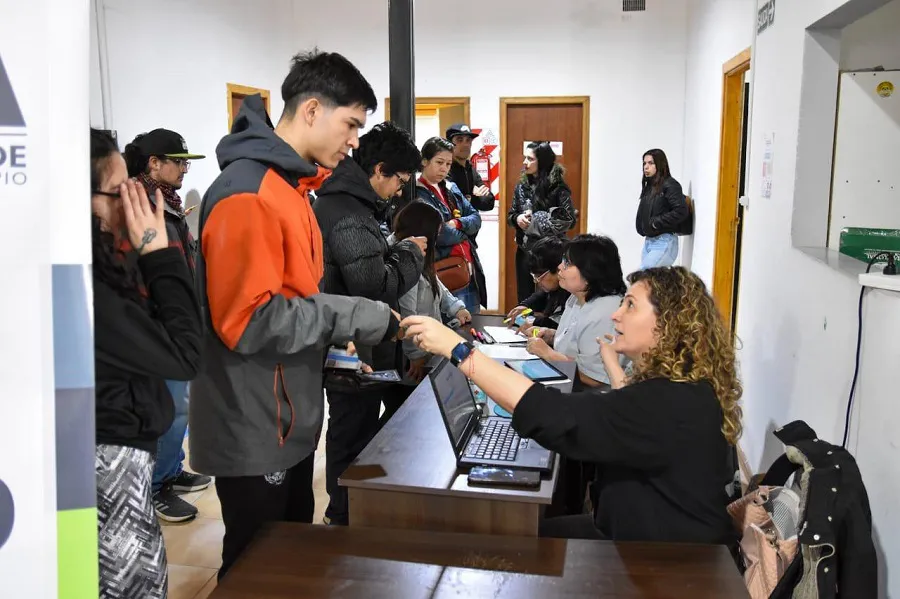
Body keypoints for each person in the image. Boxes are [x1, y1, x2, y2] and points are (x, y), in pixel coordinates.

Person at [188, 51, 402, 581]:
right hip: (255, 421)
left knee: (289, 562)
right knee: (255, 570)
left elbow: (291, 297)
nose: (354, 141)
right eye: (350, 123)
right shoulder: (249, 194)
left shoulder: (289, 188)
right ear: (311, 110)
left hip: (285, 414)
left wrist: (329, 346)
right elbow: (248, 321)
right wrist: (354, 315)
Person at [399, 265, 741, 544]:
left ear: (669, 324)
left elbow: (554, 414)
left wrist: (460, 351)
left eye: (631, 305)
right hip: (650, 537)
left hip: (660, 562)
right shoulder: (686, 388)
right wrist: (611, 365)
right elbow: (632, 416)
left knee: (504, 544)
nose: (617, 315)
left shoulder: (668, 401)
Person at [91, 128, 202, 597]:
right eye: (119, 192)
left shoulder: (106, 259)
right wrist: (159, 255)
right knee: (131, 585)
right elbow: (183, 354)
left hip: (124, 453)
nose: (130, 203)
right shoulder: (85, 284)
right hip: (109, 460)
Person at [313, 121, 426, 526]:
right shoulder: (347, 214)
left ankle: (359, 509)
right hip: (352, 349)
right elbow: (374, 284)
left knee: (364, 429)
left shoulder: (355, 207)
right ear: (378, 170)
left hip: (363, 341)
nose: (400, 189)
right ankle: (342, 517)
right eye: (399, 180)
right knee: (351, 431)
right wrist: (410, 253)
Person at [123, 128, 211, 523]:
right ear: (153, 163)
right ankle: (156, 487)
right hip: (159, 325)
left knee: (180, 407)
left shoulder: (167, 202)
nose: (184, 170)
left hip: (177, 320)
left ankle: (171, 471)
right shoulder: (140, 206)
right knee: (170, 408)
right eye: (178, 162)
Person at [523, 235, 627, 388]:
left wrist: (549, 355)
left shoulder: (605, 312)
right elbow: (576, 342)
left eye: (567, 263)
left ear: (590, 271)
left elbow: (598, 379)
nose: (559, 267)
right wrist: (551, 335)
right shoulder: (576, 297)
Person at [392, 201, 472, 385]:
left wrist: (455, 307)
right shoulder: (404, 257)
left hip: (427, 346)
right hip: (412, 356)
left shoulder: (418, 253)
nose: (437, 238)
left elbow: (434, 282)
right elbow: (407, 315)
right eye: (435, 233)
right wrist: (416, 355)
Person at [416, 136, 486, 313]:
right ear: (424, 161)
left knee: (473, 324)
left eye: (448, 164)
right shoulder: (417, 193)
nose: (444, 169)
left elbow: (476, 218)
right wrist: (466, 231)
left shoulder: (451, 187)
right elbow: (441, 234)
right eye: (439, 162)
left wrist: (457, 223)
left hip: (469, 269)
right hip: (443, 270)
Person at [507, 141, 576, 303]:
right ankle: (522, 326)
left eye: (530, 159)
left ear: (543, 161)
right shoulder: (521, 186)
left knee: (550, 297)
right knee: (524, 296)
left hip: (550, 252)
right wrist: (517, 219)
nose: (525, 162)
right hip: (525, 250)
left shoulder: (558, 187)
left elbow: (568, 219)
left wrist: (537, 223)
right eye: (525, 158)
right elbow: (511, 215)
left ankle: (546, 326)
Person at [636, 148, 688, 269]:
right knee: (652, 283)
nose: (646, 167)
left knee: (642, 278)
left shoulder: (670, 184)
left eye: (650, 163)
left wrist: (655, 223)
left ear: (660, 164)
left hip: (664, 241)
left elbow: (681, 211)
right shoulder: (650, 187)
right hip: (649, 241)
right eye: (644, 163)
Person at [505, 236, 570, 331]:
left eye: (539, 276)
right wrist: (525, 305)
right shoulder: (554, 287)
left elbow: (560, 326)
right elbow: (542, 294)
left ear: (558, 268)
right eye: (534, 276)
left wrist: (534, 321)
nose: (536, 281)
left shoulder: (572, 292)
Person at [445, 123, 495, 213]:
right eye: (460, 140)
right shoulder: (446, 169)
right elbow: (452, 202)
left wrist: (468, 198)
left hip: (472, 224)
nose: (465, 144)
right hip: (453, 225)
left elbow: (489, 202)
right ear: (450, 144)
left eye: (468, 140)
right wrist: (474, 197)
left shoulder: (470, 168)